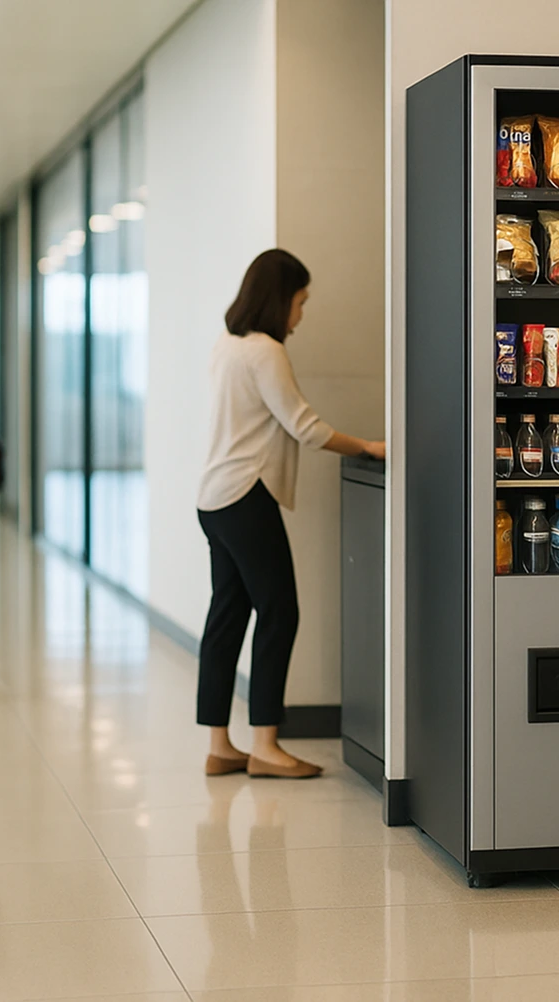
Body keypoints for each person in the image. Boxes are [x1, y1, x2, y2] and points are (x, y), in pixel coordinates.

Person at [196, 249, 384, 779]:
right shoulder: (264, 352)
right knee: (281, 612)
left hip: (212, 497)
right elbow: (305, 426)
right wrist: (368, 447)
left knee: (228, 614)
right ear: (281, 300)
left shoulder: (227, 345)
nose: (301, 315)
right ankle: (265, 745)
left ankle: (220, 745)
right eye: (300, 302)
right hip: (245, 496)